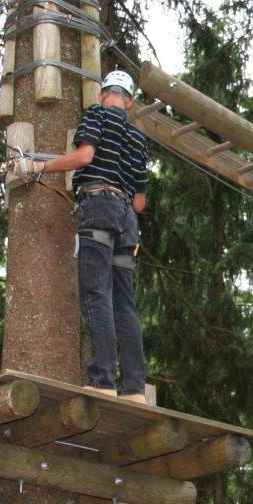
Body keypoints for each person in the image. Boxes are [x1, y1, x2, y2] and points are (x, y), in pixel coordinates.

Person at [15, 70, 149, 402]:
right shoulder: (138, 137)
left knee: (96, 294)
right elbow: (140, 203)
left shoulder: (96, 114)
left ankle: (103, 380)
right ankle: (134, 389)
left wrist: (39, 167)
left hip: (99, 205)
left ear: (103, 95)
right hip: (128, 221)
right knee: (124, 305)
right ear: (129, 101)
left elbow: (85, 156)